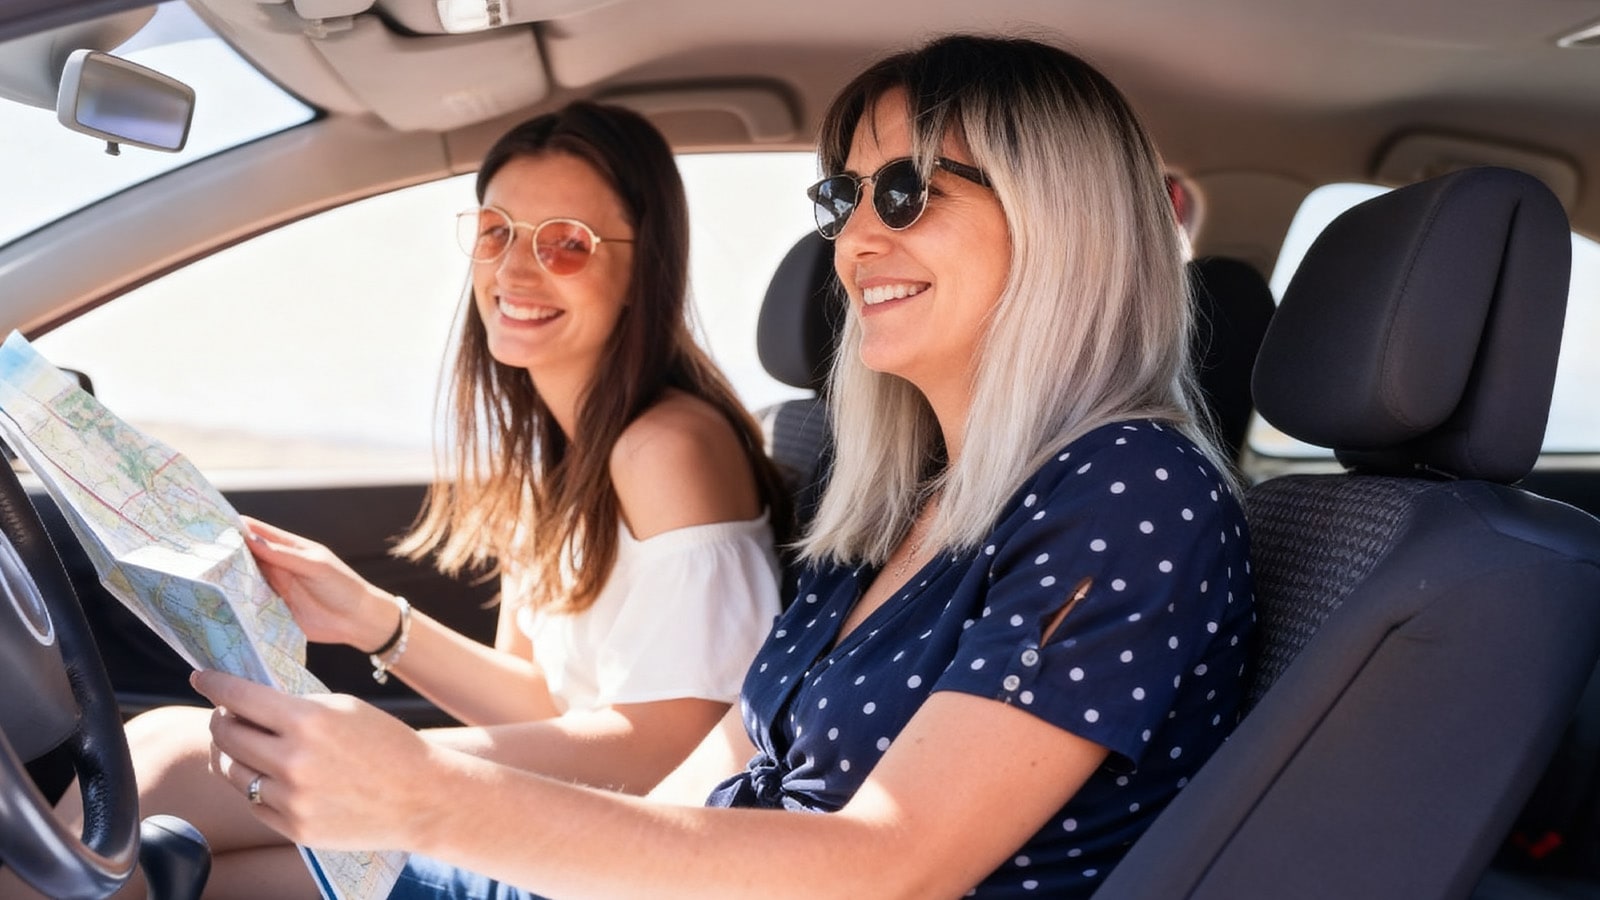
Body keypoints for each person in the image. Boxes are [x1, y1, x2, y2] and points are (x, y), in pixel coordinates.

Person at [191, 33, 1256, 899]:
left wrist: (429, 796)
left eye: (906, 193)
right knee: (174, 857)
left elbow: (893, 866)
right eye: (845, 200)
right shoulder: (890, 506)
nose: (853, 244)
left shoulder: (1132, 494)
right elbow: (702, 789)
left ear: (1059, 220)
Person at [28, 101, 789, 899]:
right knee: (180, 857)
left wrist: (403, 770)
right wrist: (372, 619)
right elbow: (545, 701)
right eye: (496, 232)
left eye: (565, 244)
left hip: (612, 856)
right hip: (557, 825)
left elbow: (674, 743)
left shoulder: (668, 447)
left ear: (645, 268)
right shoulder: (562, 455)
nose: (515, 269)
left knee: (175, 761)